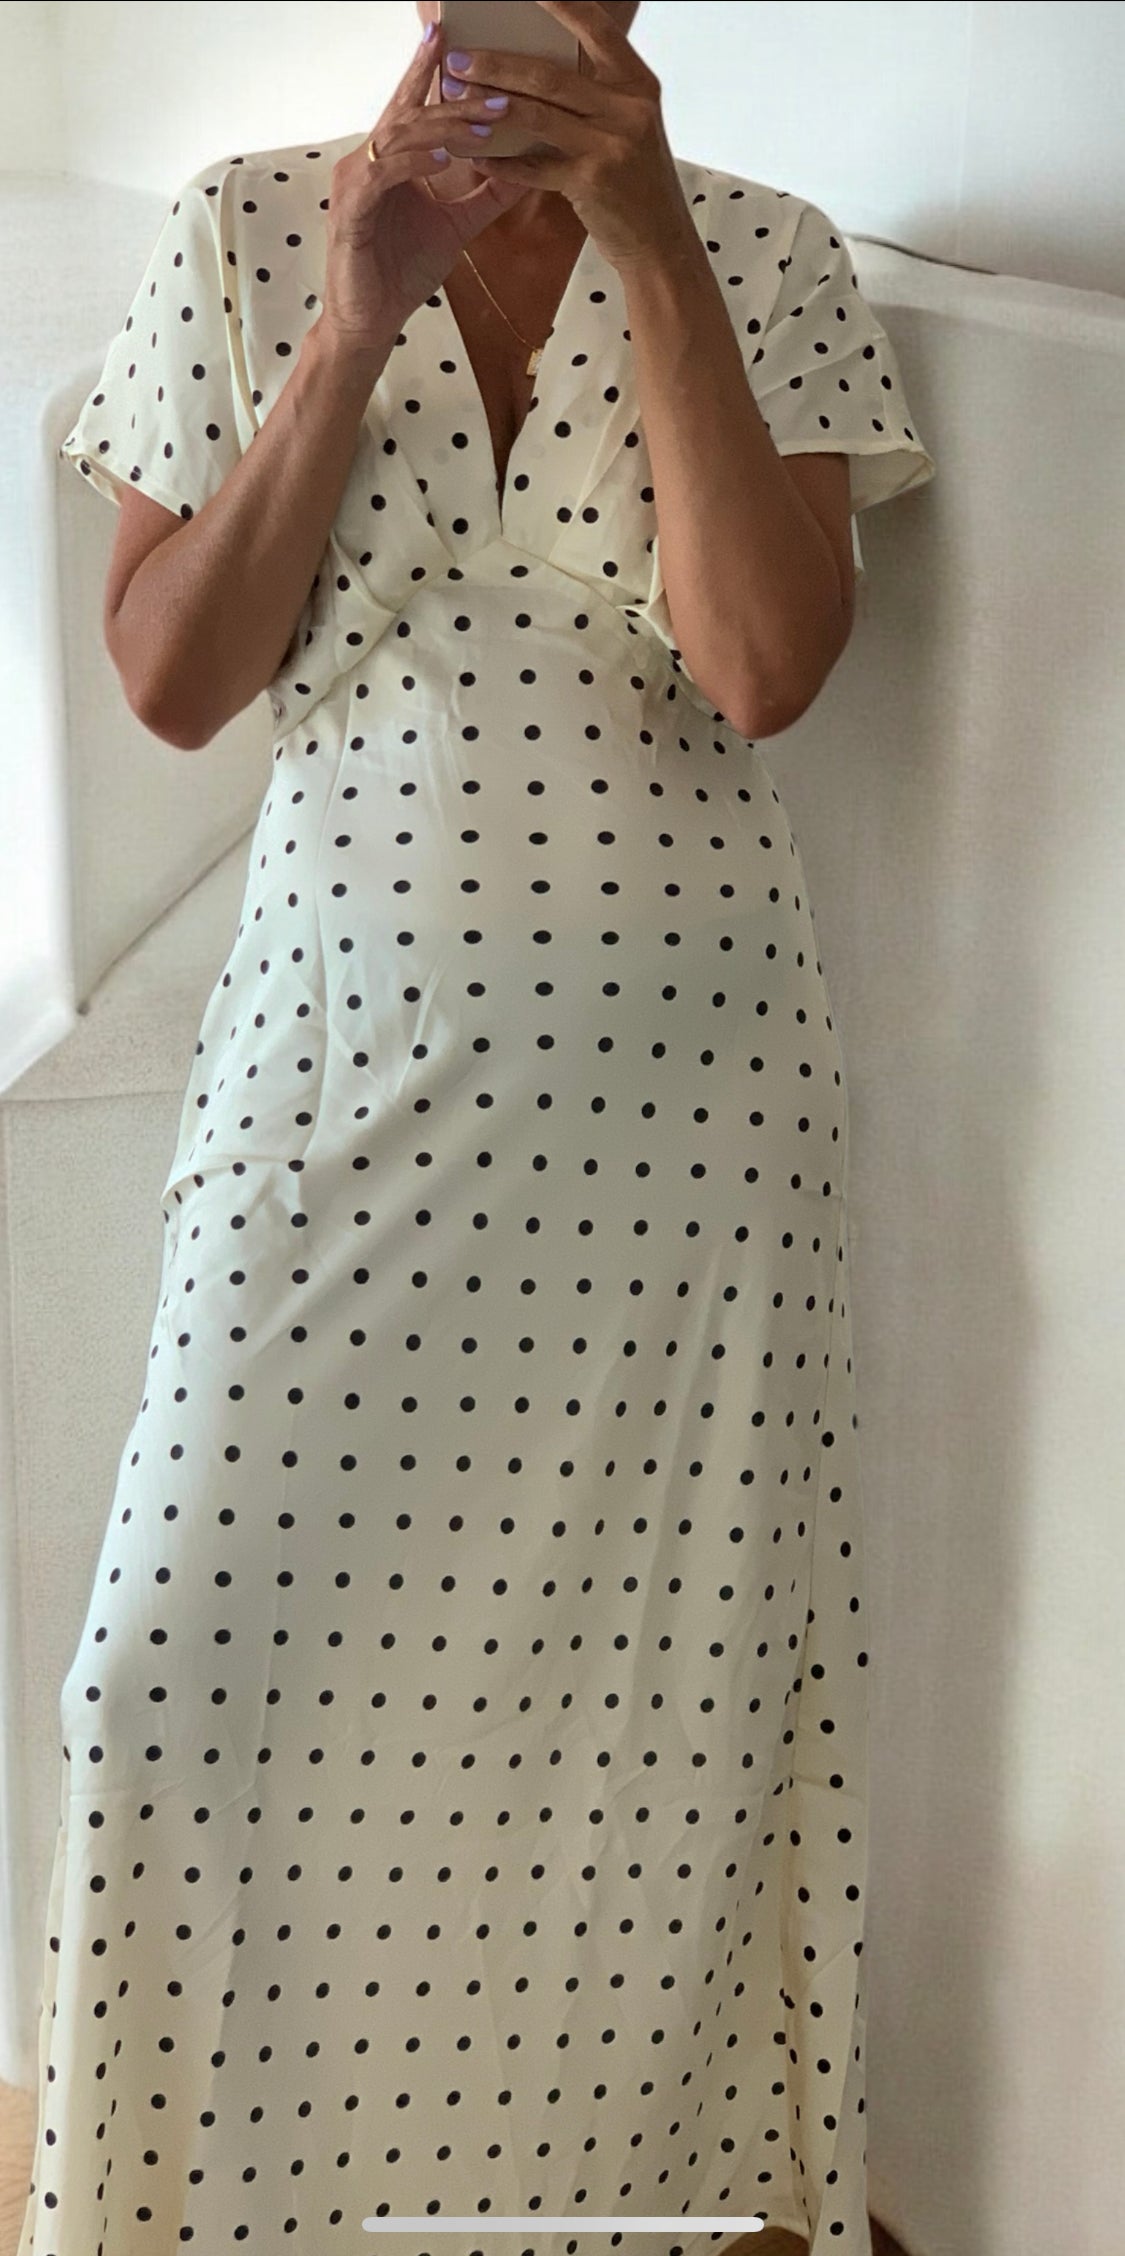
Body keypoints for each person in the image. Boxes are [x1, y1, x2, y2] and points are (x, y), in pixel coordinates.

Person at [23, 5, 935, 2254]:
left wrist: (654, 246)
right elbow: (173, 680)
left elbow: (759, 668)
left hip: (686, 1136)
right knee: (170, 1685)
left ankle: (593, 2215)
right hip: (337, 1067)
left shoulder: (766, 250)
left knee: (655, 1735)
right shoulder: (248, 229)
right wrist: (353, 321)